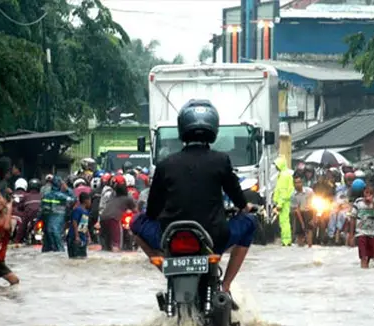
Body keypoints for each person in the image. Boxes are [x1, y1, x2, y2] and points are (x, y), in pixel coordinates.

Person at [131, 99, 257, 294]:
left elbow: (153, 210)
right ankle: (225, 285)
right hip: (214, 238)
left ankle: (166, 268)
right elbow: (239, 200)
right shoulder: (221, 160)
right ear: (213, 128)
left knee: (135, 224)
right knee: (250, 222)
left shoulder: (165, 164)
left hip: (169, 236)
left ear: (182, 128)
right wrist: (245, 207)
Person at [348, 185, 374, 268]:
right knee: (363, 256)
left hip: (371, 232)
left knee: (370, 256)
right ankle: (363, 267)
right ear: (363, 192)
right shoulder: (358, 202)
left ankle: (366, 271)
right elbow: (353, 217)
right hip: (360, 232)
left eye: (371, 193)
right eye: (367, 192)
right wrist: (351, 235)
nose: (368, 195)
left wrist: (372, 203)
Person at [100, 180, 137, 251]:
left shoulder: (112, 198)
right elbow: (136, 211)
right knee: (116, 245)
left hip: (103, 218)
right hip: (113, 219)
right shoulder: (128, 199)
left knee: (106, 246)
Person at [40, 176, 72, 252]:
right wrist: (67, 189)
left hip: (47, 228)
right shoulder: (63, 196)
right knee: (59, 248)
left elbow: (41, 211)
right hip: (57, 228)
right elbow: (73, 200)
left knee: (47, 248)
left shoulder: (46, 195)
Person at [273, 155, 294, 246]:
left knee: (284, 222)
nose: (276, 167)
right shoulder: (285, 174)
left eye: (276, 165)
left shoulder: (284, 176)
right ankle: (287, 240)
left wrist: (280, 204)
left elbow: (283, 191)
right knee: (285, 221)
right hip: (285, 201)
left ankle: (286, 241)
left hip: (284, 202)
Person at [290, 175, 314, 247]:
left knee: (309, 230)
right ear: (294, 184)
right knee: (299, 233)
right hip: (299, 213)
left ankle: (310, 246)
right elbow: (297, 210)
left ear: (302, 183)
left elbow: (314, 206)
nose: (298, 184)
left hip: (309, 212)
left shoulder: (309, 191)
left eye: (299, 182)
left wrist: (314, 218)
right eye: (296, 183)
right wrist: (302, 223)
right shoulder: (293, 195)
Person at [68, 192, 92, 259]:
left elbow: (84, 224)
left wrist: (88, 236)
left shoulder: (86, 212)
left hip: (82, 238)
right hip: (74, 238)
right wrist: (77, 236)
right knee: (75, 258)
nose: (90, 202)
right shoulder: (77, 210)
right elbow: (74, 222)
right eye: (90, 200)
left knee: (83, 257)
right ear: (86, 200)